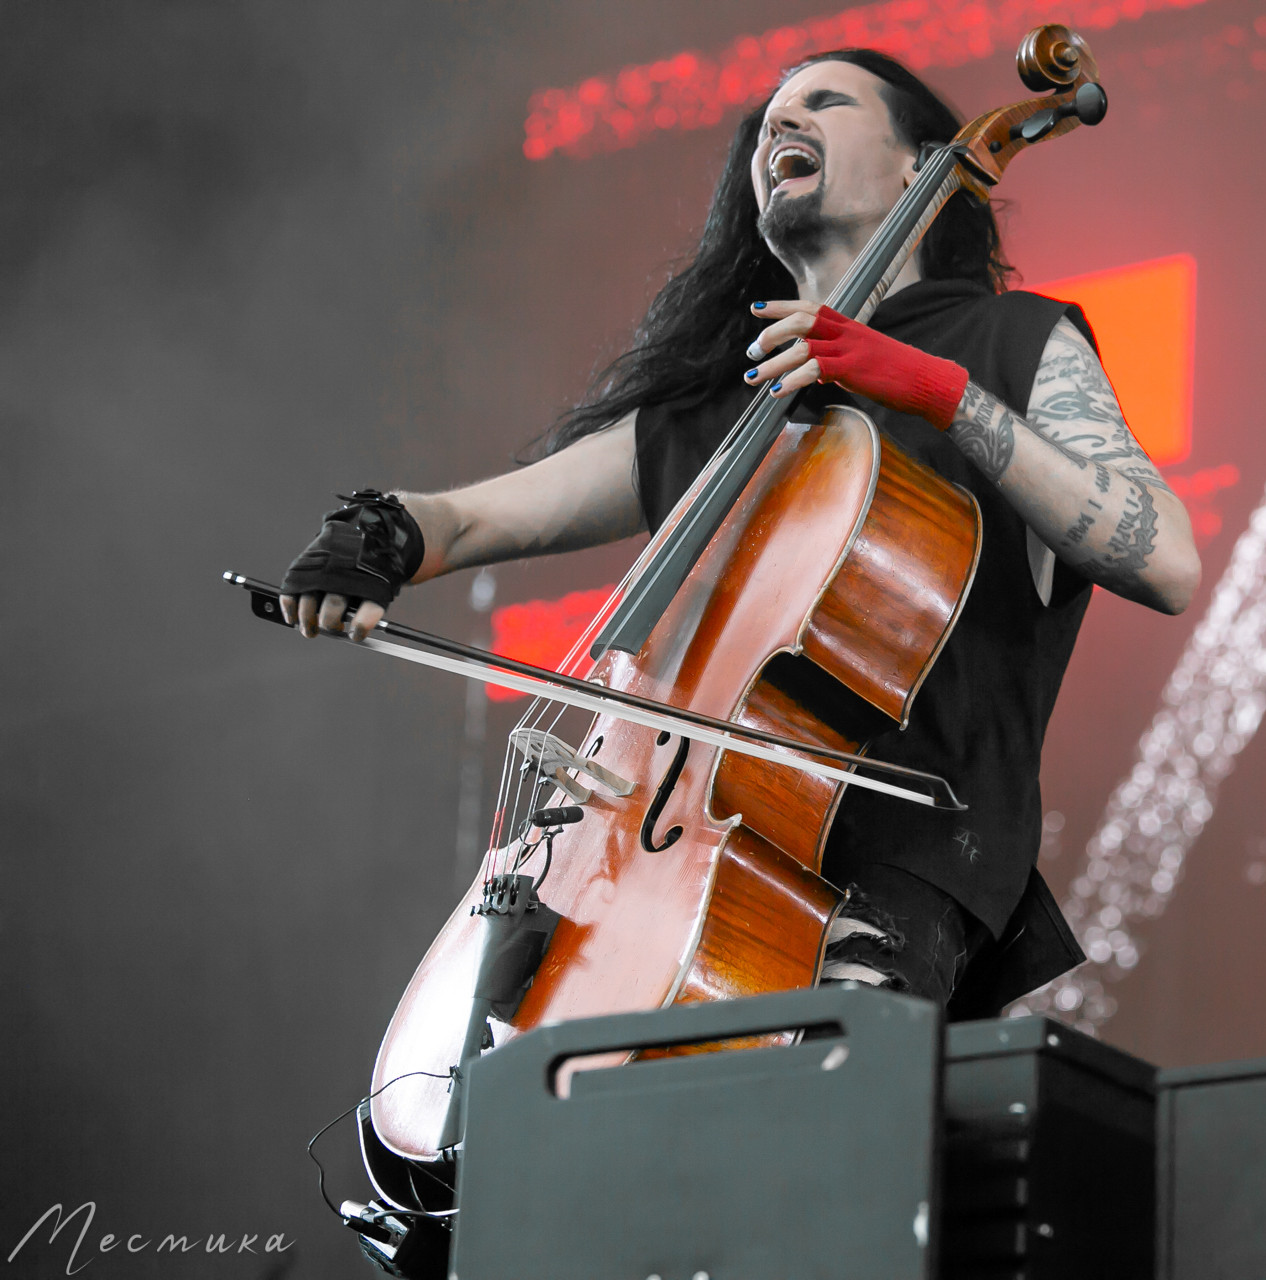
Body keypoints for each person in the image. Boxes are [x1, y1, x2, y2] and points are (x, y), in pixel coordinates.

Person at [279, 48, 1199, 1016]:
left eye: (825, 103)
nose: (779, 127)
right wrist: (379, 533)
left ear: (917, 166)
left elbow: (1167, 560)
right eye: (769, 119)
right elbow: (468, 520)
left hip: (888, 884)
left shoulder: (1008, 345)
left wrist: (940, 393)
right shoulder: (725, 413)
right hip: (648, 860)